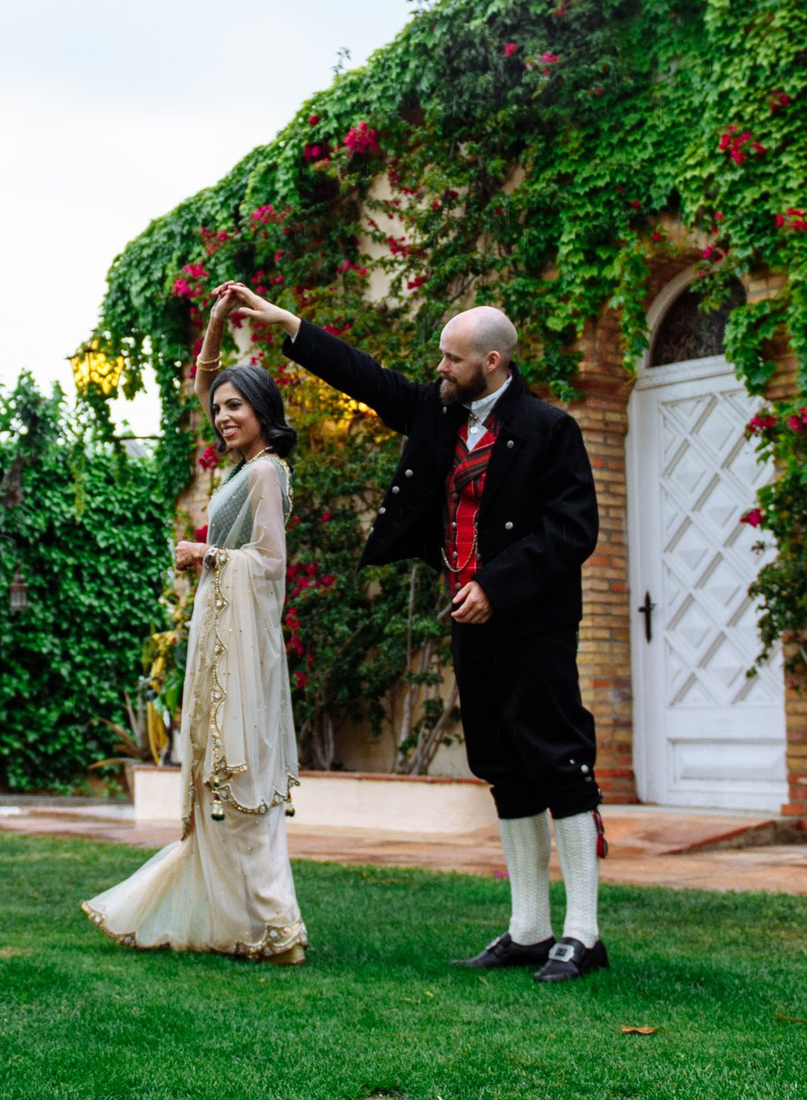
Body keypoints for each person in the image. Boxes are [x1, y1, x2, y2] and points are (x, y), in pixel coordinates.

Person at [211, 282, 609, 982]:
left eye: (451, 360)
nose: (438, 370)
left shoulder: (551, 429)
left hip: (534, 622)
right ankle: (529, 927)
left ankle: (582, 931)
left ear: (491, 361)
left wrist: (497, 584)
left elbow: (573, 530)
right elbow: (369, 379)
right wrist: (288, 325)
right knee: (504, 765)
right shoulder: (439, 414)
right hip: (470, 617)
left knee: (558, 760)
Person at [82, 290, 307, 964]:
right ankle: (242, 924)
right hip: (219, 633)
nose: (222, 414)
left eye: (236, 405)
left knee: (240, 776)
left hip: (244, 641)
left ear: (264, 410)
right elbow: (204, 379)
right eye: (218, 409)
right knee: (216, 774)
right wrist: (215, 320)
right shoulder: (239, 467)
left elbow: (270, 563)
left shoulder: (267, 471)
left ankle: (278, 926)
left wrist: (202, 553)